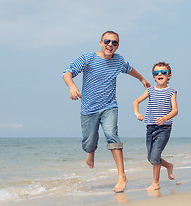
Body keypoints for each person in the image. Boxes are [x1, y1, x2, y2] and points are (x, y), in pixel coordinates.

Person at [63, 31, 151, 192]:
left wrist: (142, 79)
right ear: (100, 42)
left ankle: (121, 175)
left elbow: (129, 69)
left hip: (110, 106)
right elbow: (67, 72)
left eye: (114, 43)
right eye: (107, 41)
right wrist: (71, 86)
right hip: (88, 109)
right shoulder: (88, 58)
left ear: (118, 46)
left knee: (112, 135)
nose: (110, 45)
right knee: (89, 141)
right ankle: (91, 151)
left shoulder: (118, 60)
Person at [133, 62, 178, 191]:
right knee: (150, 157)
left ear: (169, 76)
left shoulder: (172, 92)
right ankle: (168, 166)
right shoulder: (150, 90)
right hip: (150, 127)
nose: (160, 75)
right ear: (153, 77)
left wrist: (165, 118)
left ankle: (155, 183)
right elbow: (135, 102)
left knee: (155, 155)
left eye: (163, 72)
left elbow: (175, 110)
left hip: (164, 128)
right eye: (156, 73)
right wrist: (137, 113)